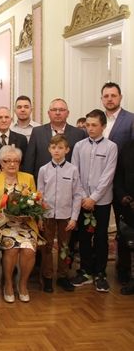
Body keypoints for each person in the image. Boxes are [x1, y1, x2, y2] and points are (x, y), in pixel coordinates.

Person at [0, 145, 41, 303]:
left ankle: (22, 284)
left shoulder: (28, 178)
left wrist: (28, 214)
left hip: (25, 224)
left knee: (29, 250)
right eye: (7, 161)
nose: (12, 164)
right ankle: (8, 284)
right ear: (0, 163)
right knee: (12, 249)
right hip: (2, 224)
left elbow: (34, 201)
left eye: (16, 161)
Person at [70, 109, 117, 292]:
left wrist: (94, 197)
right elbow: (75, 172)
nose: (90, 128)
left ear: (103, 126)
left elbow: (108, 175)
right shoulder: (79, 146)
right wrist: (84, 197)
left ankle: (100, 273)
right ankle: (85, 271)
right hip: (82, 200)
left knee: (100, 237)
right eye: (88, 125)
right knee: (83, 236)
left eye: (94, 125)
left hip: (102, 201)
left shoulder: (111, 147)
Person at [37, 135, 83, 293]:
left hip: (66, 215)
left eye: (60, 148)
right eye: (54, 147)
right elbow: (39, 194)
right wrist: (40, 216)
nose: (57, 151)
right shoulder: (43, 170)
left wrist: (74, 217)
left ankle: (63, 276)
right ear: (49, 149)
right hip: (47, 215)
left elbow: (77, 195)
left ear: (67, 150)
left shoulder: (73, 170)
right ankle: (47, 277)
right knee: (47, 246)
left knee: (64, 246)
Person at [100, 82, 134, 284]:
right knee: (99, 228)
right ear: (102, 99)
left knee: (124, 229)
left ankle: (124, 271)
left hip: (123, 186)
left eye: (113, 95)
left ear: (120, 97)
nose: (110, 99)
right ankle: (98, 268)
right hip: (99, 185)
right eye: (106, 96)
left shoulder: (130, 120)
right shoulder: (97, 120)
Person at [23, 98, 85, 178]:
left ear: (68, 113)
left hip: (69, 181)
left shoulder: (79, 134)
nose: (57, 113)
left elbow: (82, 162)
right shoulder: (37, 132)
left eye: (61, 110)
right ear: (48, 113)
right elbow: (29, 160)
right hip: (42, 180)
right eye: (54, 110)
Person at [114, 139, 134, 294]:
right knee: (127, 242)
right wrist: (122, 196)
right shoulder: (127, 146)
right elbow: (118, 175)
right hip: (128, 205)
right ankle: (127, 276)